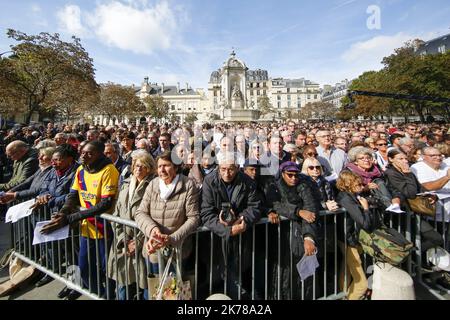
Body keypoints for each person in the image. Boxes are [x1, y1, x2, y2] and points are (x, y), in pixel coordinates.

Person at [41, 141, 120, 299]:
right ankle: (101, 294)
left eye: (89, 153)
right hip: (86, 227)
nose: (84, 155)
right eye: (82, 152)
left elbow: (105, 204)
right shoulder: (80, 170)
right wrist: (63, 213)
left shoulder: (109, 170)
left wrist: (70, 218)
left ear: (99, 154)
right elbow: (73, 195)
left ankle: (110, 295)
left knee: (108, 270)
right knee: (83, 268)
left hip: (104, 228)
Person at [134, 150, 200, 292]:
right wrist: (153, 231)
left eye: (166, 165)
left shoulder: (188, 185)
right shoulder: (153, 185)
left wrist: (172, 238)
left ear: (176, 167)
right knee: (155, 289)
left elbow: (193, 218)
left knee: (174, 291)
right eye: (159, 166)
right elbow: (140, 213)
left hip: (178, 250)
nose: (162, 170)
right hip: (154, 249)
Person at [384, 149, 450, 289]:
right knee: (410, 242)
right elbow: (410, 192)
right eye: (400, 159)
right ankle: (414, 261)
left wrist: (433, 195)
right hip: (400, 217)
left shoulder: (407, 171)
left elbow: (420, 188)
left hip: (414, 214)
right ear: (391, 159)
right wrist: (407, 174)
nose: (405, 161)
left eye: (405, 158)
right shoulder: (391, 173)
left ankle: (417, 261)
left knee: (436, 238)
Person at [200, 152, 261, 299]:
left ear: (238, 168)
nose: (227, 173)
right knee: (214, 279)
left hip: (241, 240)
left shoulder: (247, 182)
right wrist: (227, 229)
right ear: (218, 168)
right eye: (223, 169)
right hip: (215, 240)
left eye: (231, 169)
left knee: (237, 276)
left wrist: (242, 219)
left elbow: (255, 206)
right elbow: (206, 213)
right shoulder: (209, 181)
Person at [107, 150, 157, 300]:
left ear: (149, 168)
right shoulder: (126, 183)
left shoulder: (153, 185)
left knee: (146, 285)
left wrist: (138, 241)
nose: (138, 169)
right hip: (122, 242)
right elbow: (116, 213)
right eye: (136, 165)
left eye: (143, 166)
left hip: (142, 242)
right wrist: (123, 238)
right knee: (122, 283)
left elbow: (154, 216)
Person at [266, 161, 319, 299]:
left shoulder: (304, 186)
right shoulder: (274, 186)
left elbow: (311, 210)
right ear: (283, 174)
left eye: (296, 175)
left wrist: (308, 237)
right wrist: (297, 211)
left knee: (304, 277)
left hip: (300, 235)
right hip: (281, 238)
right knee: (283, 275)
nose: (293, 178)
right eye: (289, 175)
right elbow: (275, 204)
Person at [336, 171, 375, 300]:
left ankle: (344, 295)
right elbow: (364, 223)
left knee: (346, 268)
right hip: (349, 240)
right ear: (348, 184)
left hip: (351, 239)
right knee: (362, 284)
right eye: (358, 183)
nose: (361, 185)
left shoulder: (352, 196)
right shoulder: (346, 199)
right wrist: (366, 209)